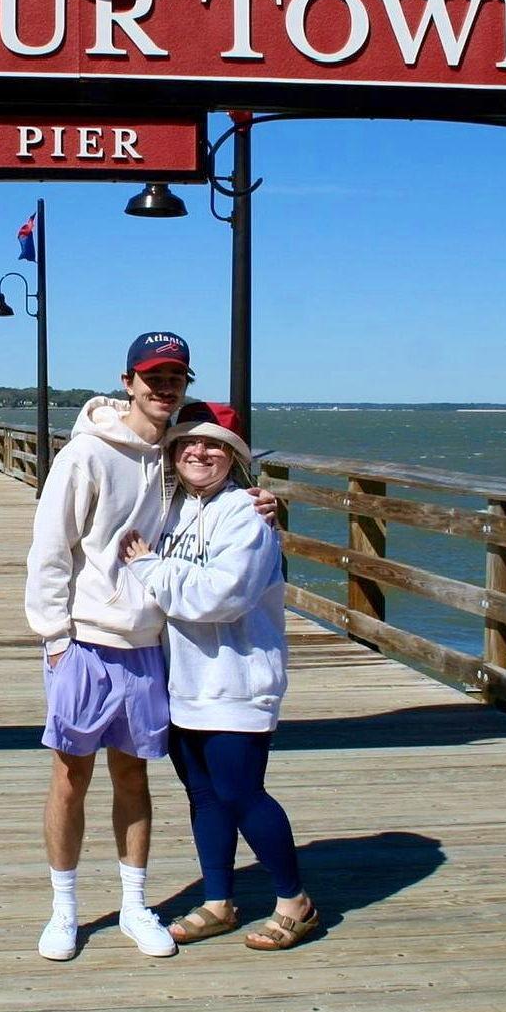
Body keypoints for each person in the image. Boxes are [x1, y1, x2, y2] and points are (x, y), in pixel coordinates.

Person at [119, 401, 318, 952]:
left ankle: (293, 901)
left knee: (241, 792)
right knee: (204, 795)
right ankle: (218, 901)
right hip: (183, 680)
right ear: (173, 453)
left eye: (214, 445)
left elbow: (221, 598)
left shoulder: (248, 516)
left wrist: (149, 568)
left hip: (238, 677)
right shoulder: (171, 510)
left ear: (233, 458)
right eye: (188, 443)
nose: (200, 452)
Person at [25, 330, 194, 962]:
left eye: (175, 376)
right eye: (152, 376)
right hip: (85, 642)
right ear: (128, 382)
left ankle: (133, 904)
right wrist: (55, 638)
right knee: (71, 775)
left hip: (147, 641)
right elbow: (49, 549)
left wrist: (260, 500)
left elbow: (218, 493)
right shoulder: (86, 455)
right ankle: (64, 909)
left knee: (134, 773)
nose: (163, 386)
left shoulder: (179, 454)